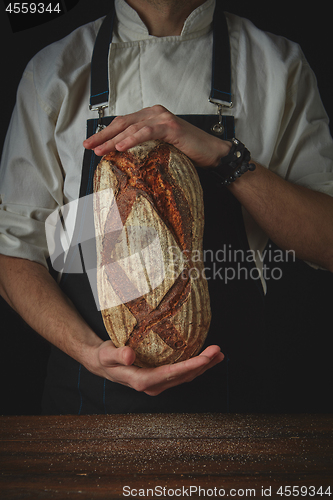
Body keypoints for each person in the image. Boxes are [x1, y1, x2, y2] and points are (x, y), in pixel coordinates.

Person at [0, 0, 332, 414]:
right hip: (88, 404)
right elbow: (13, 251)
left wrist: (226, 159)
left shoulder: (276, 65)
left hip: (235, 406)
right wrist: (89, 353)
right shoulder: (54, 71)